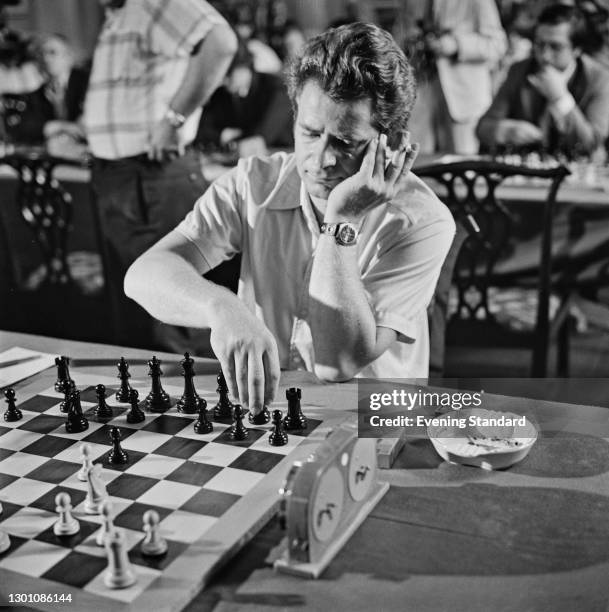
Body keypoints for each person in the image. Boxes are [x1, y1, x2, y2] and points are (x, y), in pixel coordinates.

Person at [124, 23, 455, 414]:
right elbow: (143, 275)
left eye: (346, 143)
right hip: (271, 408)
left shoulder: (423, 221)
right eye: (310, 133)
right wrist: (221, 308)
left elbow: (338, 363)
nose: (321, 159)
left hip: (372, 416)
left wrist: (341, 221)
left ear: (393, 143)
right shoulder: (253, 182)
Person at [82, 0, 237, 346]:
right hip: (125, 177)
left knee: (178, 315)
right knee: (145, 315)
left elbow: (221, 43)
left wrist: (173, 119)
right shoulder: (120, 13)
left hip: (152, 176)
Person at [476, 3, 609, 157]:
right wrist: (504, 131)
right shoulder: (520, 70)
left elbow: (591, 144)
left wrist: (560, 98)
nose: (544, 55)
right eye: (539, 44)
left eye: (555, 47)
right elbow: (483, 128)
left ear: (576, 49)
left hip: (580, 173)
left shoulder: (600, 79)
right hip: (528, 171)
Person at [405, 0, 507, 154]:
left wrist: (456, 45)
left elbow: (497, 44)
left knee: (462, 164)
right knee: (415, 157)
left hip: (462, 97)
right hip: (422, 89)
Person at [195, 40, 293, 156]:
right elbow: (201, 130)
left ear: (245, 66)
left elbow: (260, 138)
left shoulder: (277, 88)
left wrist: (239, 139)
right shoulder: (222, 93)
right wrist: (223, 135)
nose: (223, 81)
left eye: (228, 74)